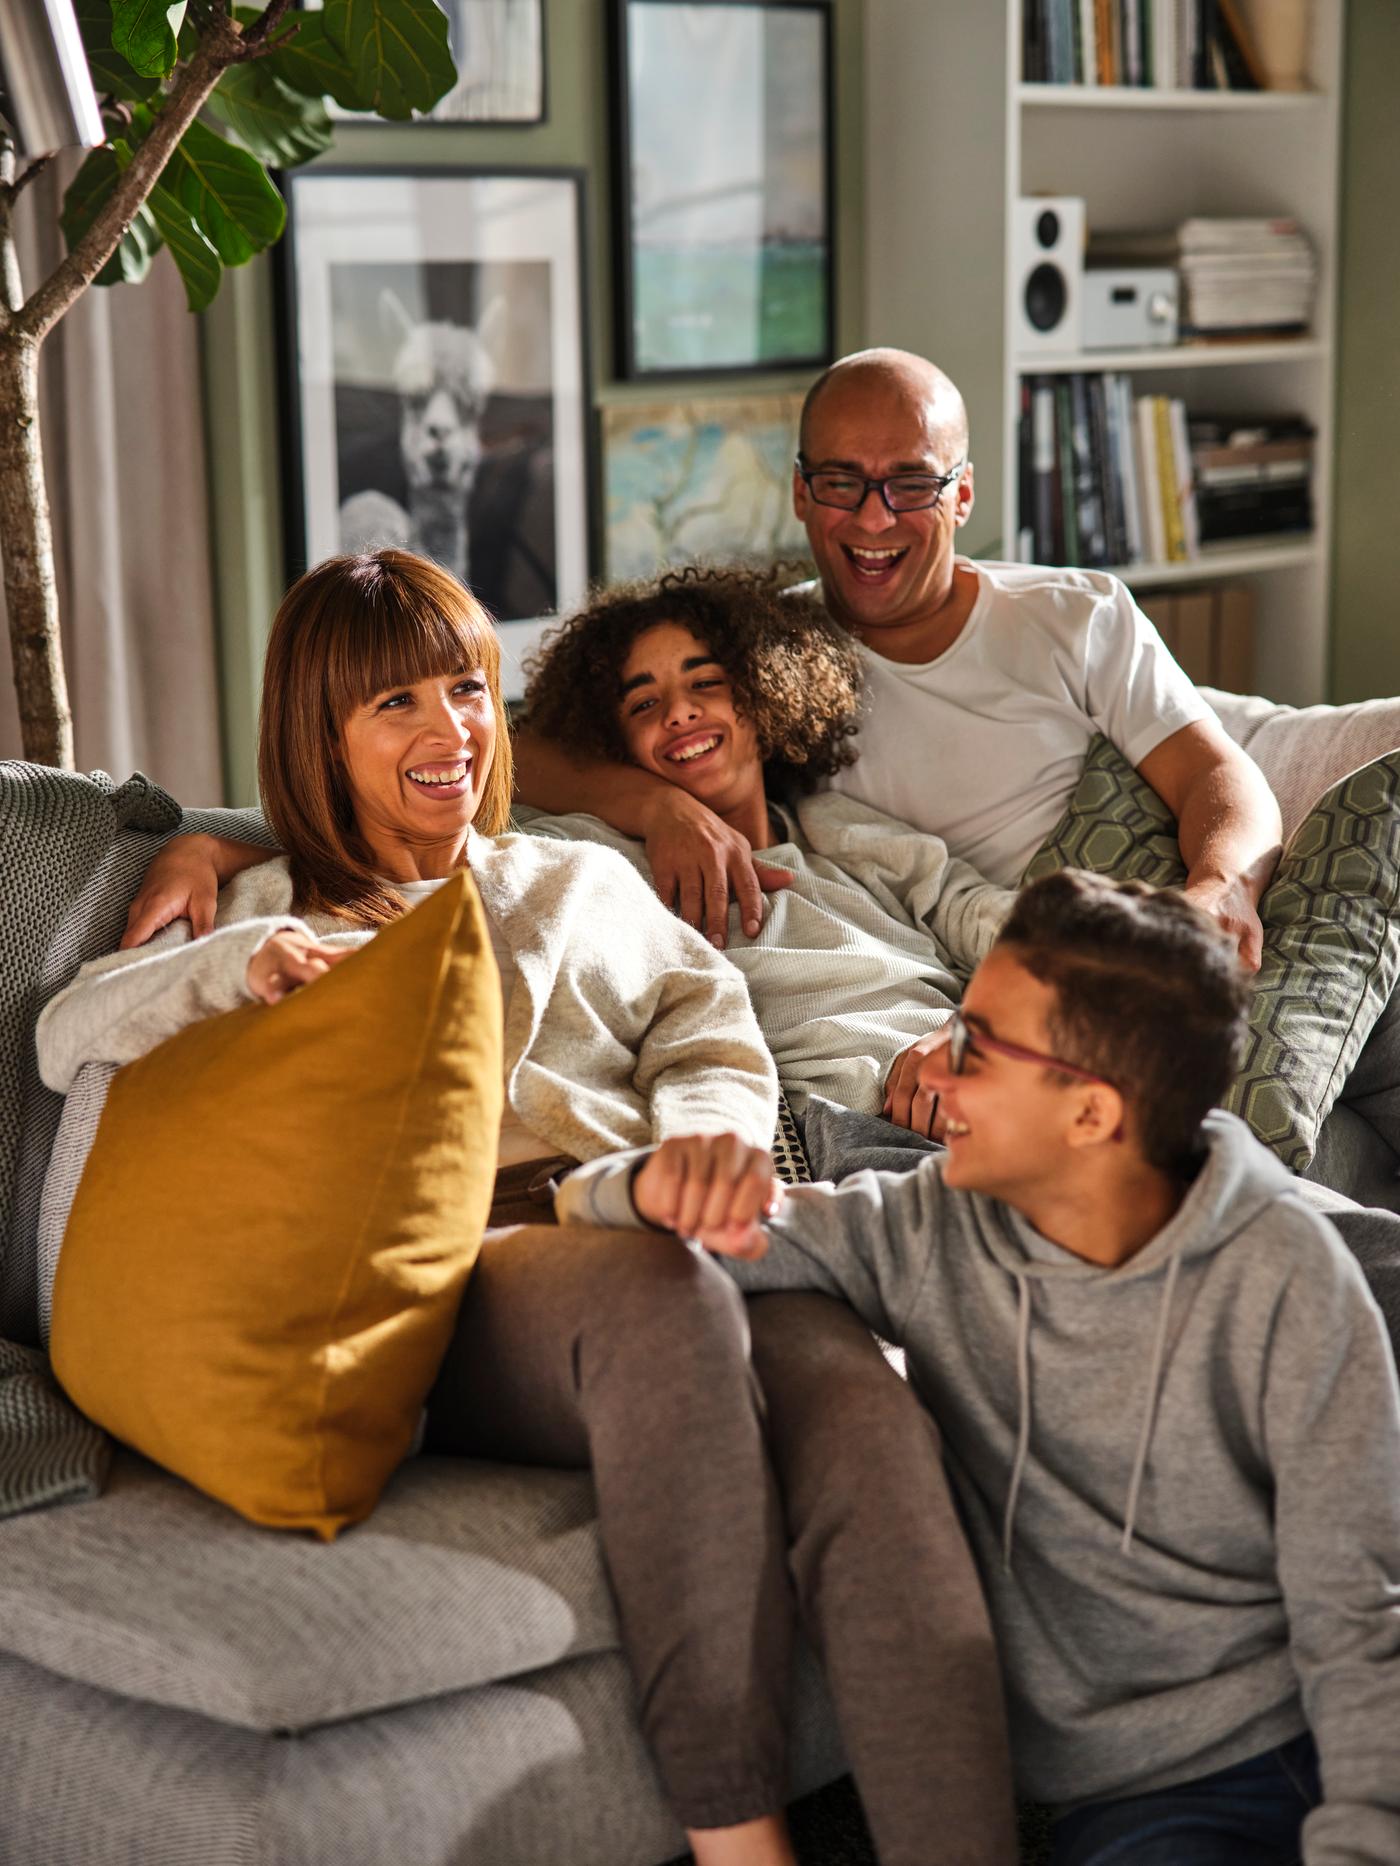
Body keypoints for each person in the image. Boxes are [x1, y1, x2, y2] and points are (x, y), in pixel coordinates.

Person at [40, 551, 1017, 1866]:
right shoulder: (267, 911)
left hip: (655, 1217)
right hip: (471, 1269)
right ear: (318, 735)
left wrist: (707, 1148)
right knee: (656, 1300)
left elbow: (705, 1021)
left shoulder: (574, 881)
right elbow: (67, 1030)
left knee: (862, 1402)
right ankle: (745, 1849)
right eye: (396, 706)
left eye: (465, 689)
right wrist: (227, 959)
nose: (449, 731)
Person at [571, 870, 1400, 1866]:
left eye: (972, 1050)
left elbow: (1354, 1616)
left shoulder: (1284, 1273)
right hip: (1135, 1790)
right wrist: (642, 1183)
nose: (934, 1071)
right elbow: (697, 1226)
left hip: (1316, 1722)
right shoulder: (925, 1225)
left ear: (1089, 1115)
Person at [508, 348, 1283, 991]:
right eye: (842, 482)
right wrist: (658, 808)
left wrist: (1220, 888)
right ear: (803, 495)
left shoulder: (1078, 616)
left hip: (1068, 963)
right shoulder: (758, 655)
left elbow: (1220, 773)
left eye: (910, 483)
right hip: (907, 976)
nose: (873, 518)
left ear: (962, 495)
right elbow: (519, 755)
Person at [518, 567, 1016, 1121]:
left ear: (763, 691)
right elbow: (492, 757)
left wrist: (970, 1033)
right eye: (643, 705)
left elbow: (1028, 938)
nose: (679, 712)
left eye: (704, 682)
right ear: (609, 745)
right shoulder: (607, 861)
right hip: (850, 1128)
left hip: (988, 1068)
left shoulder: (838, 831)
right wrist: (655, 805)